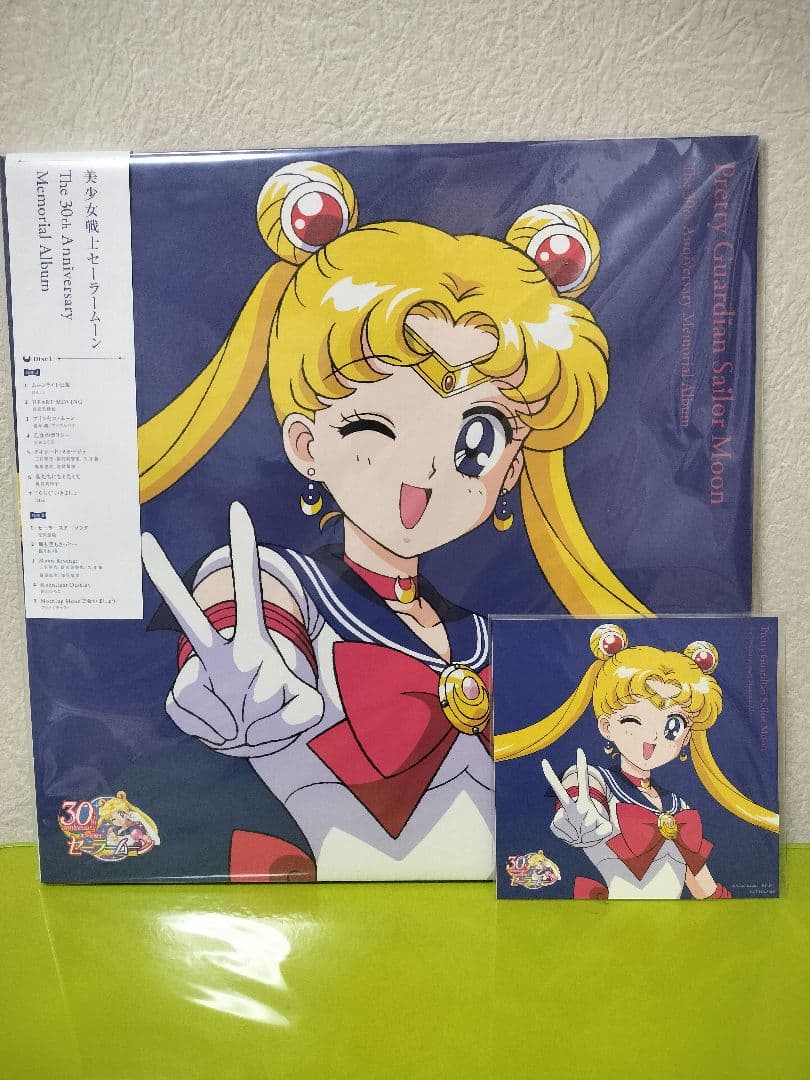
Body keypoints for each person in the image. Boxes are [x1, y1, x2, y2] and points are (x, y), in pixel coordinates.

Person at [138, 160, 647, 882]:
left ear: (510, 468)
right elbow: (243, 620)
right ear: (306, 445)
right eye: (375, 426)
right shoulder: (276, 583)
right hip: (325, 919)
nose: (425, 474)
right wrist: (235, 684)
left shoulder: (486, 637)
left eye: (475, 440)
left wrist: (589, 836)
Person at [495, 623, 779, 898]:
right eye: (633, 720)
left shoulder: (678, 807)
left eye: (673, 725)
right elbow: (581, 794)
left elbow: (705, 888)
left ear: (686, 737)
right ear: (606, 726)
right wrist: (578, 818)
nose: (652, 737)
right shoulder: (595, 779)